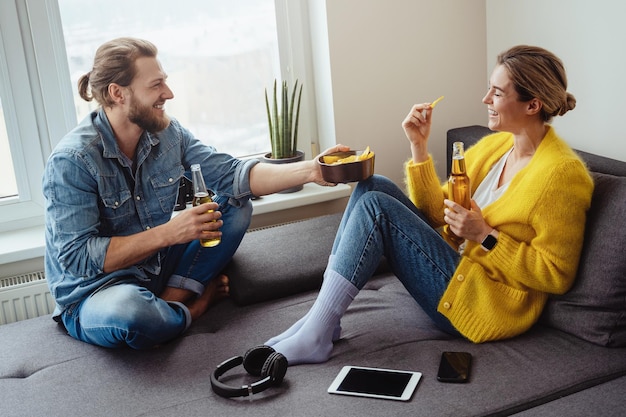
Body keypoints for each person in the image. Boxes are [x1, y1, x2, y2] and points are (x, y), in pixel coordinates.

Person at [265, 45, 594, 365]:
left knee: (377, 207)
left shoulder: (562, 174)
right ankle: (322, 320)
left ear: (532, 105)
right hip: (457, 269)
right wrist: (418, 146)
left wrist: (485, 236)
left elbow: (557, 275)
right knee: (372, 186)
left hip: (483, 304)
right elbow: (437, 213)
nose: (485, 100)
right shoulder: (496, 147)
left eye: (496, 93)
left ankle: (317, 332)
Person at [43, 37, 346, 349]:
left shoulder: (167, 133)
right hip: (98, 291)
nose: (168, 94)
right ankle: (189, 308)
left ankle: (169, 298)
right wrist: (169, 233)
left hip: (155, 266)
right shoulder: (73, 161)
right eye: (156, 85)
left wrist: (312, 170)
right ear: (118, 93)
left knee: (235, 202)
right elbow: (77, 259)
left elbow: (233, 175)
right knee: (132, 313)